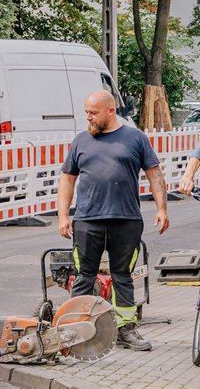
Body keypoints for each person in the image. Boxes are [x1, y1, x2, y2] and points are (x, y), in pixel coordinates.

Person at [57, 89, 169, 352]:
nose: (88, 118)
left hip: (126, 219)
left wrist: (162, 209)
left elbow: (154, 174)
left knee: (122, 275)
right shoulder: (81, 141)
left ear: (110, 110)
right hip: (87, 220)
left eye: (93, 113)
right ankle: (76, 329)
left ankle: (125, 330)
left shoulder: (135, 138)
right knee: (84, 276)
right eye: (86, 113)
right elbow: (67, 179)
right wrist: (63, 215)